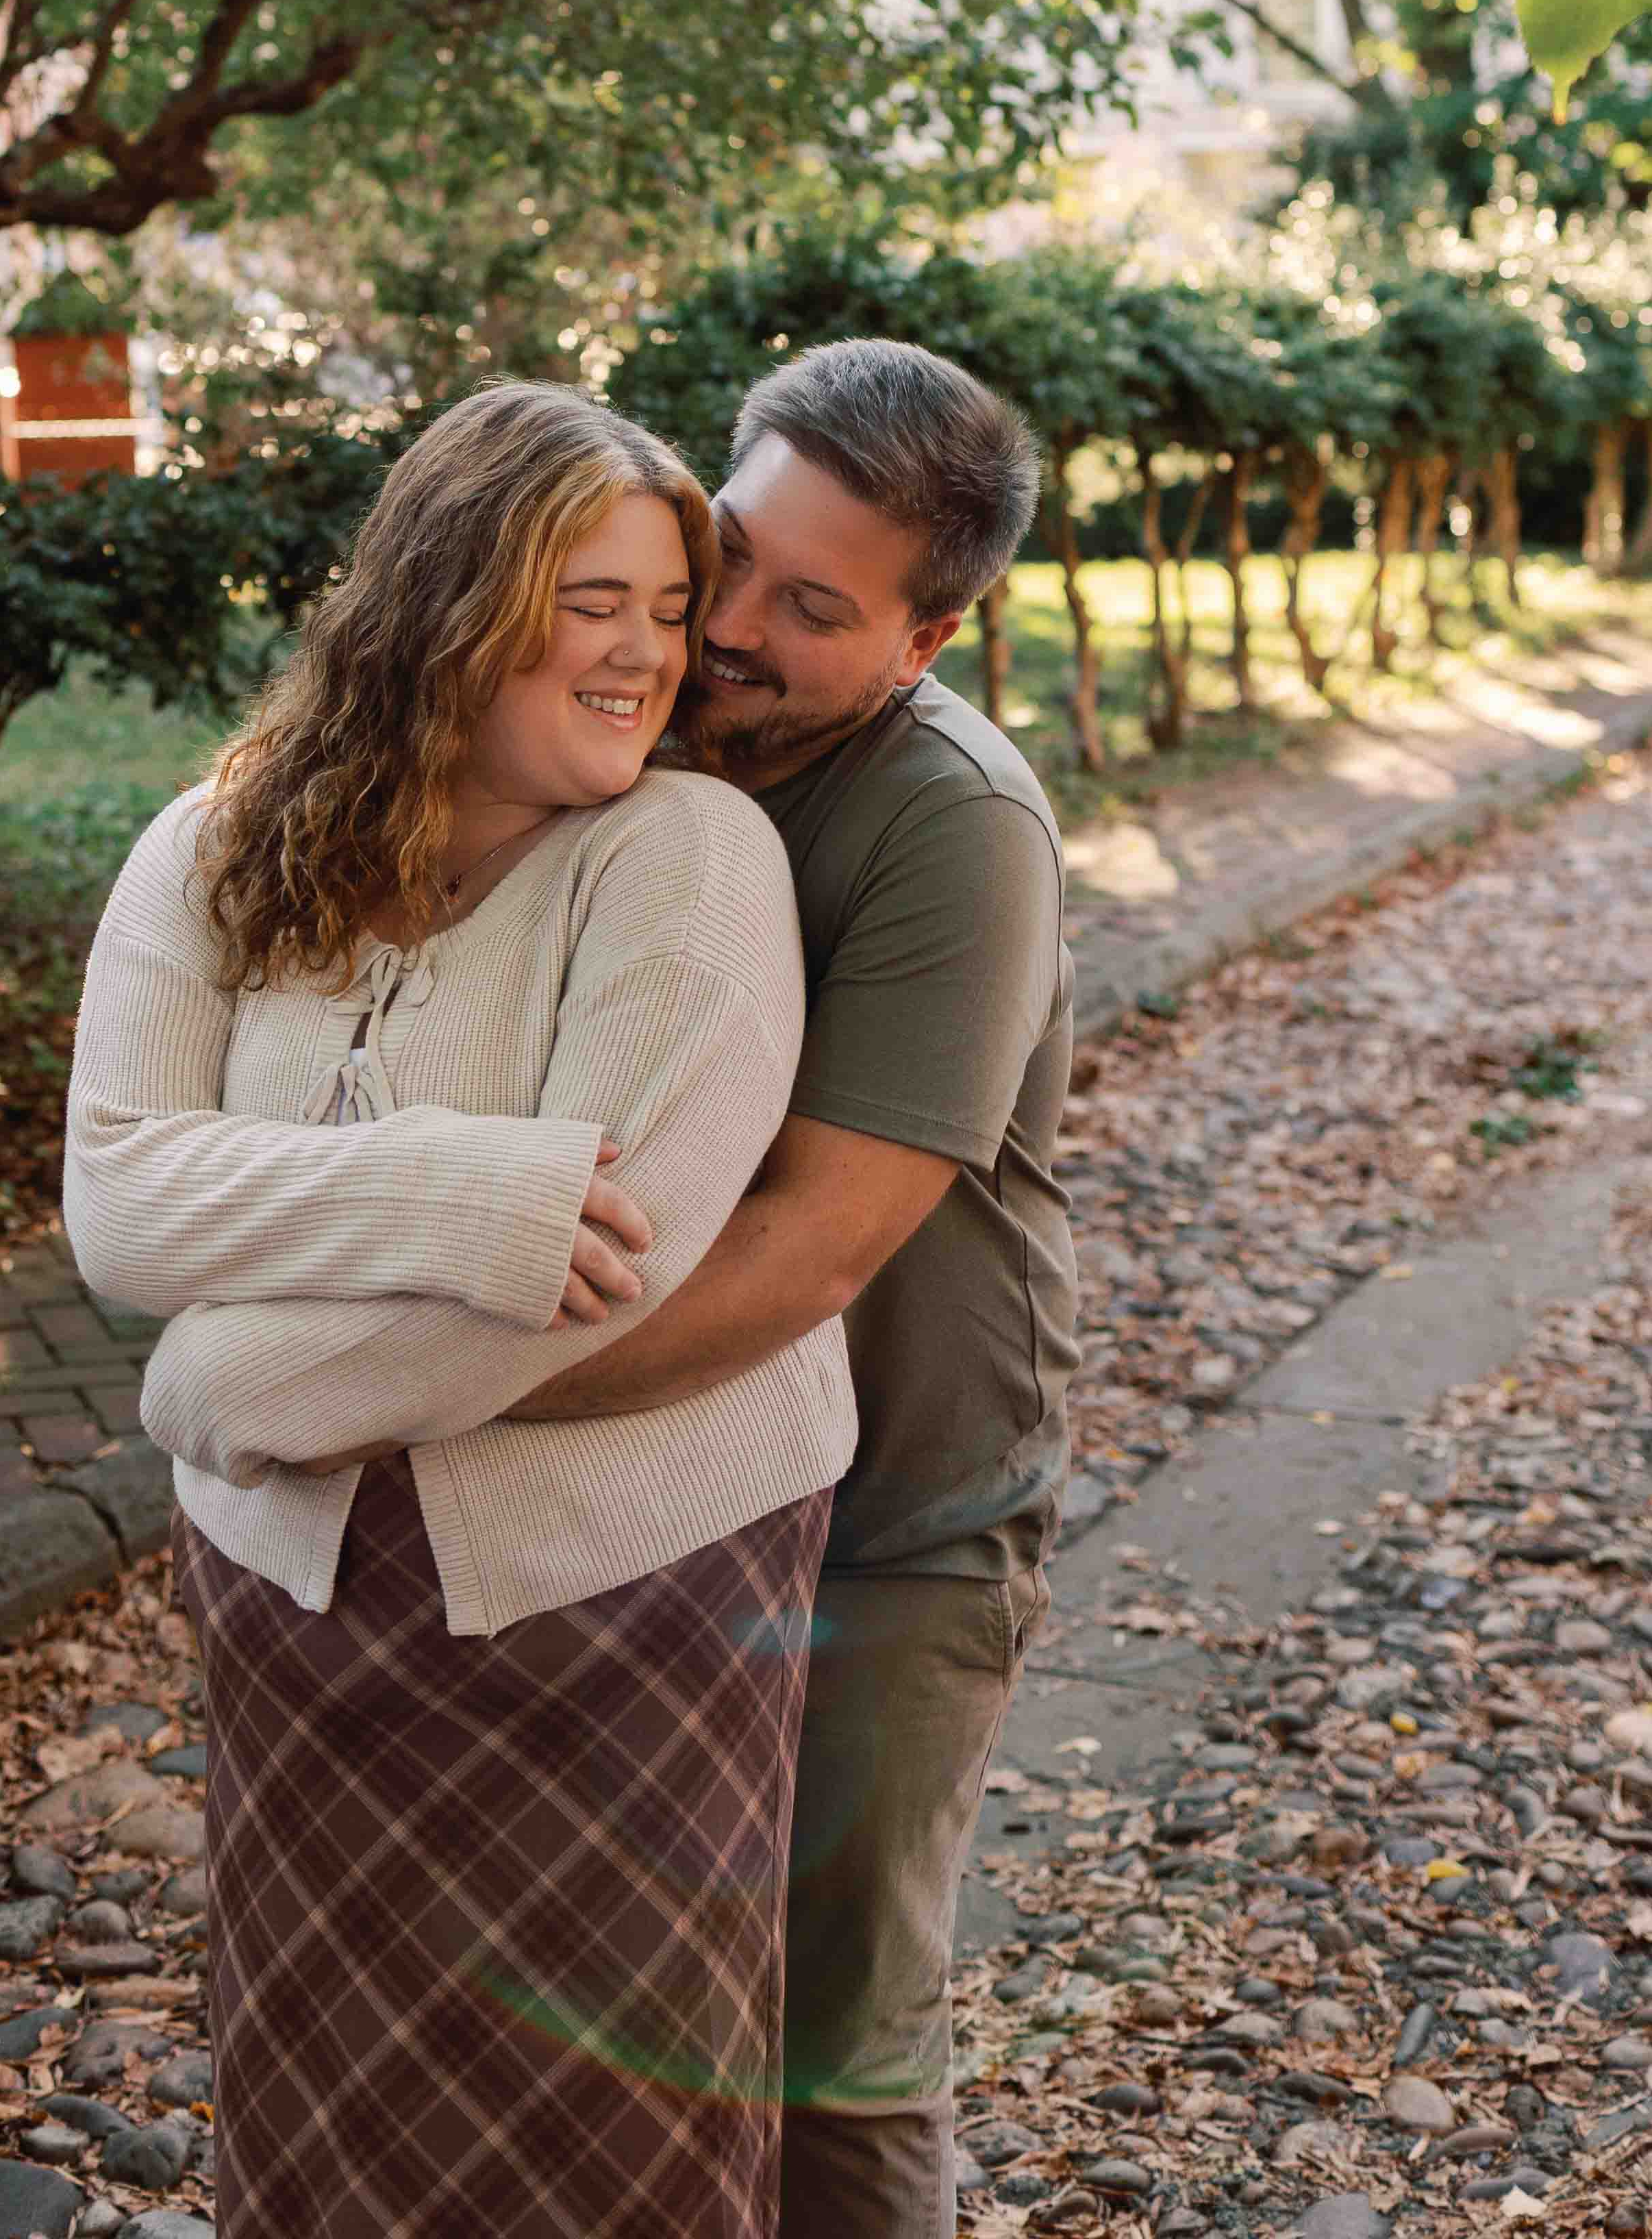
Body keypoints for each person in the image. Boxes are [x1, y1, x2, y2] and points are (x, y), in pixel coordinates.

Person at [63, 383, 856, 2239]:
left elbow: (591, 1289)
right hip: (291, 1603)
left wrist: (212, 1384)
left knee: (613, 2134)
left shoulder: (686, 859)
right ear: (447, 599)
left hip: (621, 1604)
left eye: (671, 609)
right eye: (596, 599)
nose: (648, 655)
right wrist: (460, 1191)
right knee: (325, 2110)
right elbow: (121, 1196)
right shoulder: (220, 845)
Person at [505, 338, 1078, 2239]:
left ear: (927, 646)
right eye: (727, 552)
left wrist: (440, 1399)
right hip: (662, 1498)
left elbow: (816, 1243)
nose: (728, 626)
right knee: (627, 2021)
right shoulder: (632, 704)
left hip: (892, 1522)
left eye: (811, 610)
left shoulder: (954, 828)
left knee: (831, 2041)